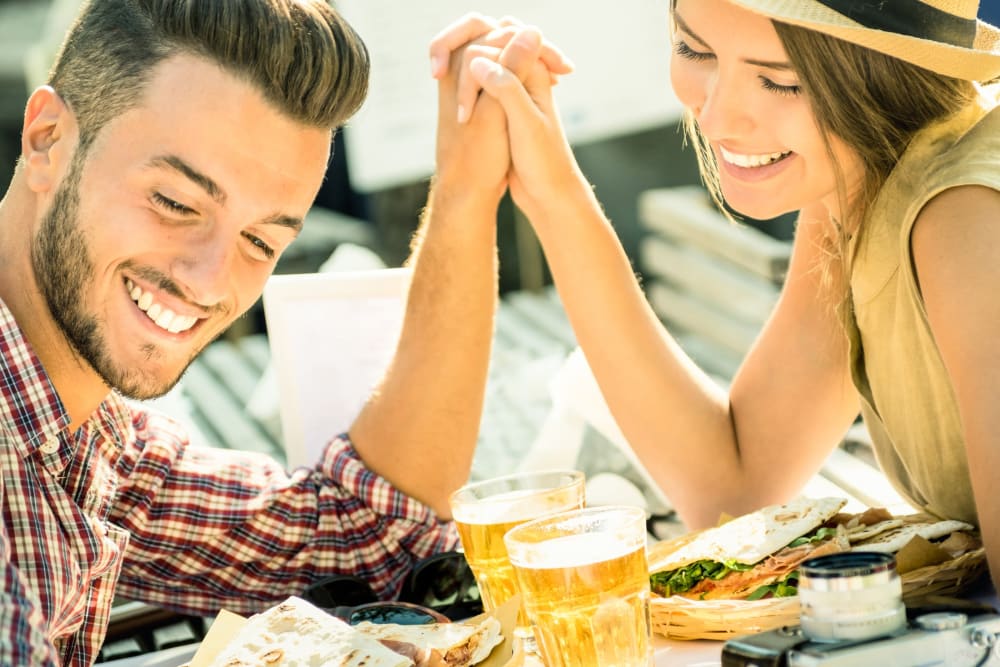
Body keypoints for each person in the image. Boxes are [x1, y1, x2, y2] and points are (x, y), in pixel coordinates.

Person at [0, 0, 569, 663]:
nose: (211, 281)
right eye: (176, 203)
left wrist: (466, 190)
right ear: (45, 140)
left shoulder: (76, 427)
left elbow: (369, 534)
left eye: (260, 240)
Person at [430, 0, 1000, 587]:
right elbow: (735, 484)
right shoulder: (855, 182)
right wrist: (552, 192)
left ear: (890, 78)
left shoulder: (963, 220)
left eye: (782, 81)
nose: (721, 117)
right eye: (694, 50)